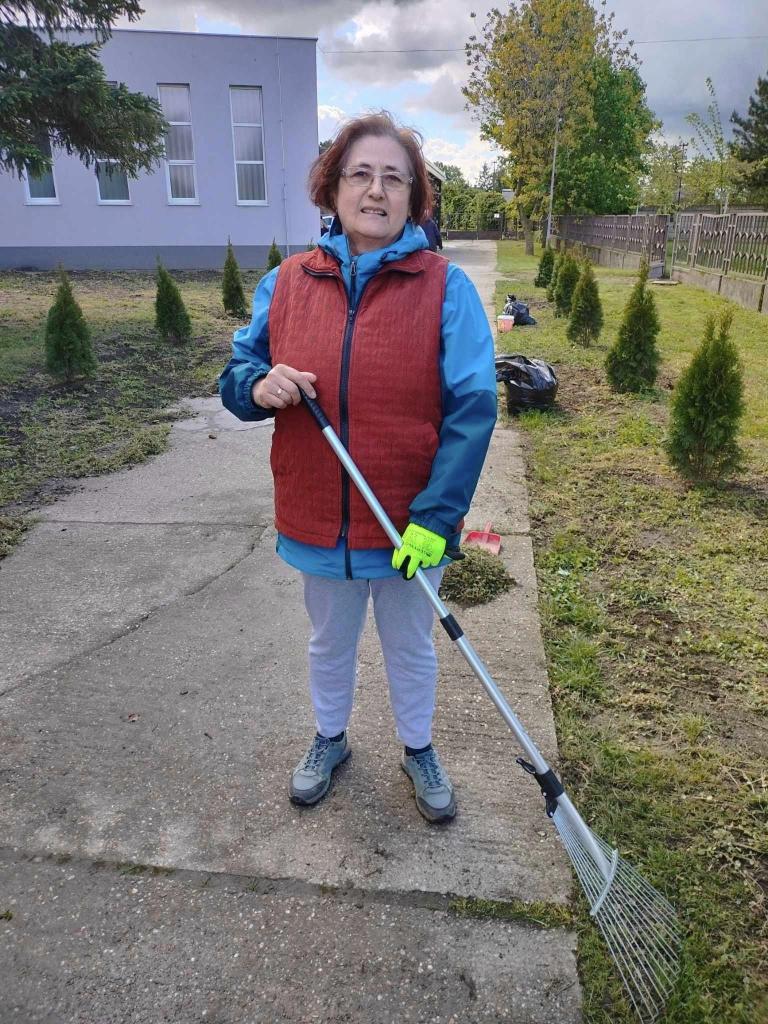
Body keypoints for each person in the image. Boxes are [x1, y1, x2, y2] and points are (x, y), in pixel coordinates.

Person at [219, 111, 496, 824]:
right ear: (333, 188)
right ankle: (329, 738)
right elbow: (239, 371)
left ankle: (418, 748)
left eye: (394, 178)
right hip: (318, 512)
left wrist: (437, 517)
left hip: (409, 522)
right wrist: (257, 385)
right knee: (329, 641)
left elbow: (473, 409)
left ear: (414, 198)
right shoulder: (287, 282)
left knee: (410, 645)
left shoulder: (446, 288)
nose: (376, 190)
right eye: (361, 174)